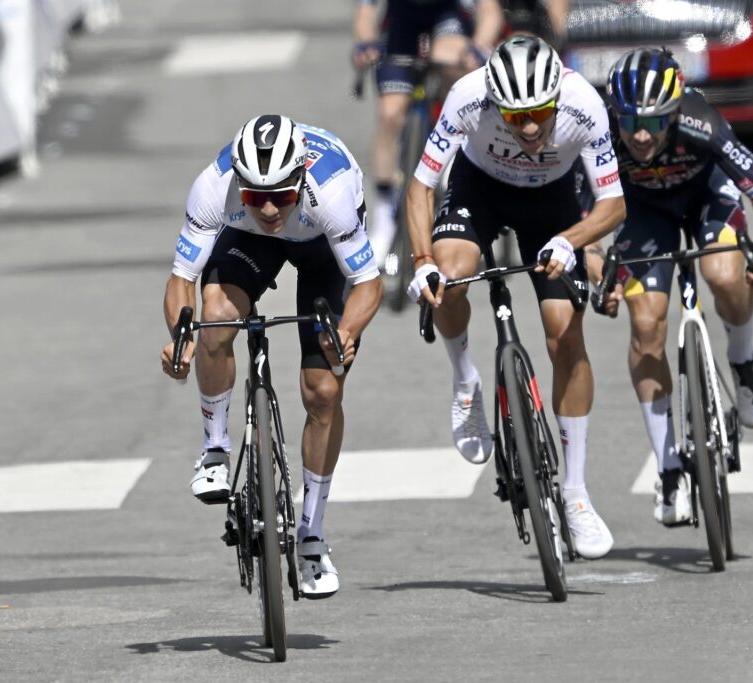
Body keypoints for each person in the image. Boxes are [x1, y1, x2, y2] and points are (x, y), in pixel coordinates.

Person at [405, 35, 627, 559]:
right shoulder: (467, 96)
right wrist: (422, 263)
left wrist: (571, 241)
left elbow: (613, 203)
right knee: (452, 277)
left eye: (538, 114)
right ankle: (466, 380)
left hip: (552, 203)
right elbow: (421, 187)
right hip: (479, 188)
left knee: (563, 334)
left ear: (556, 98)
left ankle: (575, 494)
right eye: (514, 117)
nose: (528, 128)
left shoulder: (583, 106)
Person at [160, 115, 383, 598]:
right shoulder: (214, 185)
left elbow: (369, 283)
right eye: (254, 195)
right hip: (251, 247)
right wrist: (182, 336)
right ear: (238, 181)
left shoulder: (333, 192)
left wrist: (347, 331)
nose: (266, 207)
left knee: (323, 391)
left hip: (324, 249)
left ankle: (312, 535)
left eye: (280, 195)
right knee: (215, 319)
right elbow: (182, 277)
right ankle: (215, 448)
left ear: (300, 178)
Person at [585, 48, 753, 527]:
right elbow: (580, 227)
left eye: (655, 122)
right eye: (630, 121)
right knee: (646, 323)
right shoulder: (600, 137)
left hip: (706, 200)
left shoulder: (704, 125)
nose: (641, 135)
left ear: (675, 112)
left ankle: (743, 359)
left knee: (722, 274)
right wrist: (599, 280)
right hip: (643, 212)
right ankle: (669, 467)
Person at [352, 0, 504, 270]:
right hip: (402, 24)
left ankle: (451, 146)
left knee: (453, 58)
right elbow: (365, 11)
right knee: (390, 112)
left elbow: (490, 10)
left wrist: (479, 46)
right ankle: (385, 212)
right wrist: (367, 43)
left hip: (448, 19)